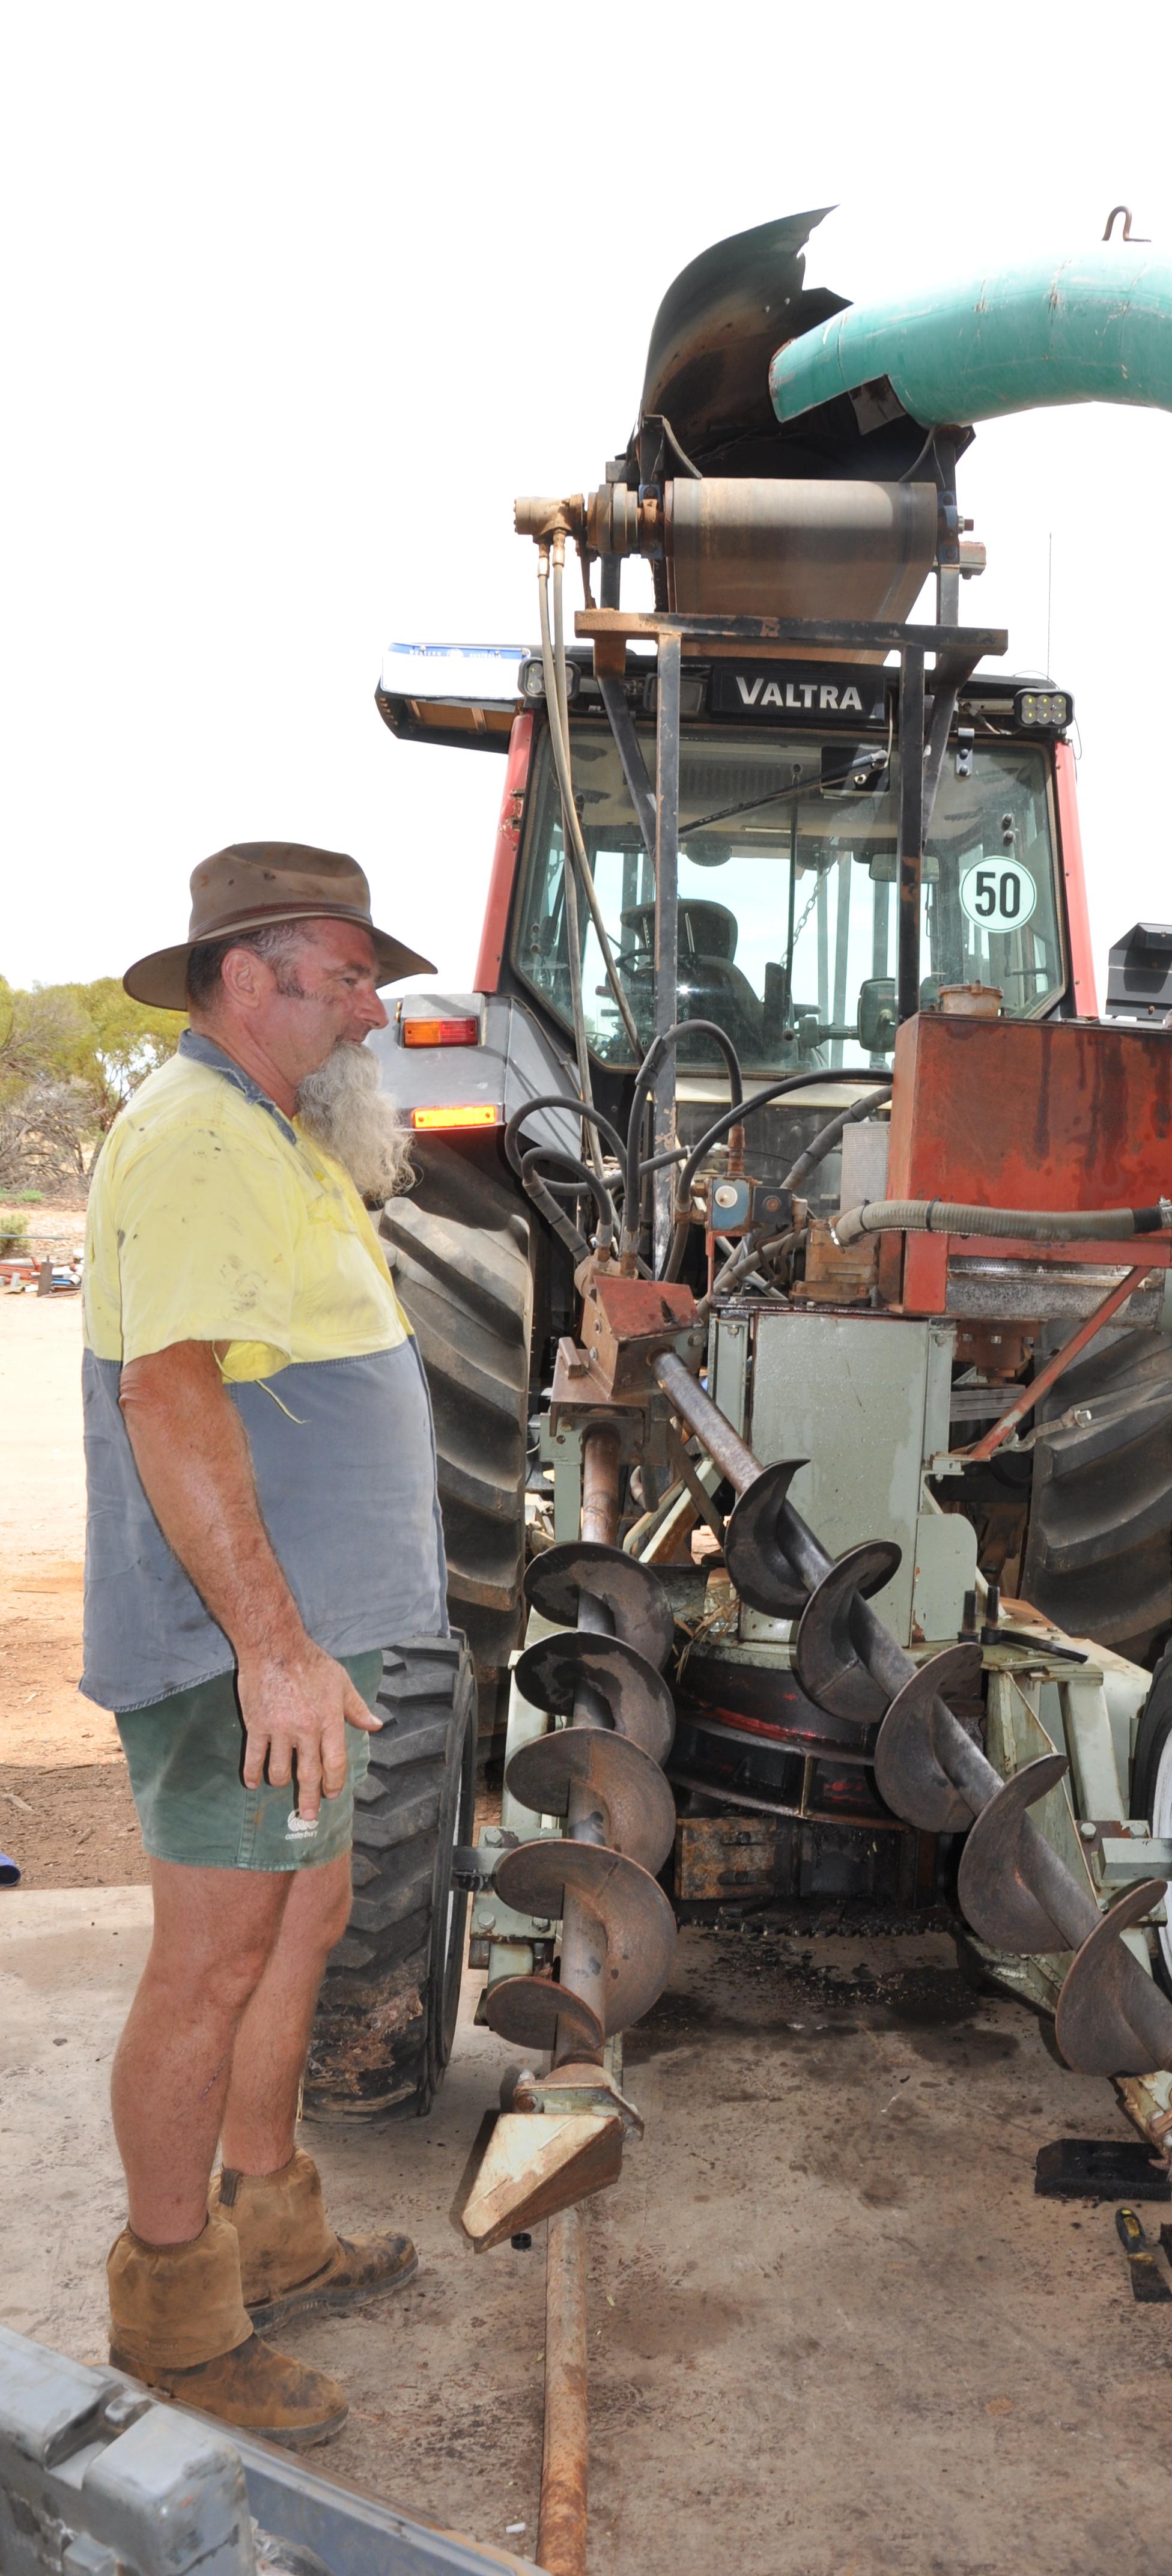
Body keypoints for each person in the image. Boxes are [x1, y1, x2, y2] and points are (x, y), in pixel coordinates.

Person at [87, 844, 445, 2445]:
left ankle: (273, 2222)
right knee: (216, 1957)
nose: (376, 1005)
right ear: (250, 976)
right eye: (350, 975)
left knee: (306, 1916)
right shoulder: (189, 1140)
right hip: (242, 1654)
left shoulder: (274, 1134)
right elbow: (167, 1395)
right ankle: (173, 2311)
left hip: (306, 1648)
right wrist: (277, 1652)